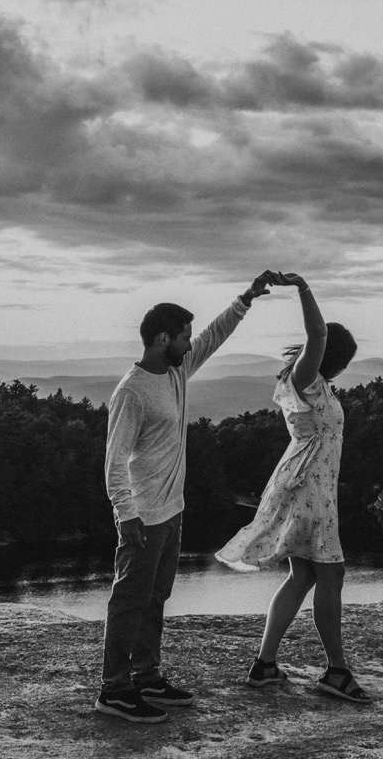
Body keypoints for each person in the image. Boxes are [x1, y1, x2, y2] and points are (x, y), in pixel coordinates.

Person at [94, 272, 276, 724]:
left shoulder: (175, 372)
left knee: (155, 597)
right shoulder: (131, 391)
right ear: (161, 339)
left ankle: (146, 675)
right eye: (182, 337)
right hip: (144, 516)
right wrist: (126, 515)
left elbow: (213, 337)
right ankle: (114, 689)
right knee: (129, 601)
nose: (189, 344)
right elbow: (114, 461)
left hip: (171, 511)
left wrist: (246, 299)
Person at [215, 273, 371, 704]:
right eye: (342, 362)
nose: (341, 369)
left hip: (308, 482)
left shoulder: (312, 383)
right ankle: (336, 672)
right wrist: (302, 288)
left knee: (303, 573)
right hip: (308, 488)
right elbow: (317, 333)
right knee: (331, 573)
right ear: (329, 357)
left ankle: (265, 665)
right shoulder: (306, 378)